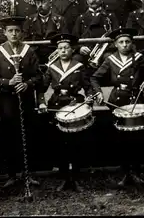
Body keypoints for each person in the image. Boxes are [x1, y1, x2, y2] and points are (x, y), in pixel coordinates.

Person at [91, 27, 144, 187]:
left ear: (132, 43)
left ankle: (136, 171)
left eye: (127, 42)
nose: (125, 45)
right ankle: (126, 172)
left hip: (135, 100)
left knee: (136, 137)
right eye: (121, 42)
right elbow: (94, 78)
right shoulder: (110, 60)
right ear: (116, 44)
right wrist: (98, 93)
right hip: (117, 101)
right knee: (121, 138)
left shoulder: (139, 58)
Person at [0, 16, 43, 189]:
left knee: (28, 135)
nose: (14, 34)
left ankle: (29, 174)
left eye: (17, 31)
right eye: (10, 31)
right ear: (5, 33)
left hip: (26, 98)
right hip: (7, 100)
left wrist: (27, 84)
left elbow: (38, 76)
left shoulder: (29, 51)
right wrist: (8, 82)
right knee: (9, 136)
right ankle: (12, 175)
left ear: (21, 33)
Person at [38, 33, 93, 192]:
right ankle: (64, 178)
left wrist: (89, 98)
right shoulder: (52, 67)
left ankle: (75, 177)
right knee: (60, 142)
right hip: (56, 105)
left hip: (74, 105)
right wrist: (41, 102)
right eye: (60, 48)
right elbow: (42, 88)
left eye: (66, 48)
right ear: (57, 50)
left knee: (75, 142)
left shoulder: (79, 66)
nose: (63, 50)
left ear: (72, 49)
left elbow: (88, 86)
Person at [73, 0, 119, 69]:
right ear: (87, 1)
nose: (93, 0)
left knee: (109, 58)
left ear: (101, 0)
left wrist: (105, 48)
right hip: (86, 51)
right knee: (76, 59)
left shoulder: (110, 16)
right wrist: (80, 48)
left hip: (105, 51)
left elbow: (117, 36)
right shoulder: (81, 18)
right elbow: (75, 38)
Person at [23, 0, 68, 65]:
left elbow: (65, 39)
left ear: (50, 3)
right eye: (38, 2)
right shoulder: (30, 20)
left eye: (43, 2)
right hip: (35, 54)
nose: (40, 5)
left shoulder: (60, 20)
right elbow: (25, 40)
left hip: (55, 53)